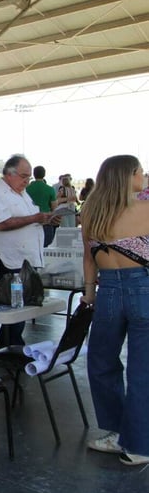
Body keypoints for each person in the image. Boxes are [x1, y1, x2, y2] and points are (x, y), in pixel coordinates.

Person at [81, 155, 149, 466]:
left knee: (101, 361)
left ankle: (118, 431)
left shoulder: (92, 211)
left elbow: (88, 258)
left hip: (106, 290)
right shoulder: (146, 209)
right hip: (142, 289)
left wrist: (89, 292)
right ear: (129, 176)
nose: (144, 176)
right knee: (142, 369)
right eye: (140, 172)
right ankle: (138, 444)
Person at [0, 155, 56, 347]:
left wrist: (46, 219)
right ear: (10, 174)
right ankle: (10, 346)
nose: (26, 181)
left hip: (24, 258)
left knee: (20, 306)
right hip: (9, 259)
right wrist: (34, 218)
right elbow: (0, 224)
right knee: (16, 306)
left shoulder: (22, 194)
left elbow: (27, 218)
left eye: (29, 178)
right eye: (24, 176)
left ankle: (8, 344)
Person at [26, 165, 58, 247]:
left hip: (30, 224)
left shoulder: (26, 189)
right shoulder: (50, 189)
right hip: (46, 223)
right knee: (46, 252)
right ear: (44, 174)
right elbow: (55, 208)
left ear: (34, 174)